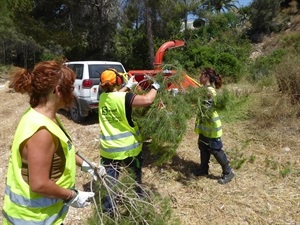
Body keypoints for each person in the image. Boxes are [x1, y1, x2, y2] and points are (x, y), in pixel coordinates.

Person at [2, 60, 97, 225]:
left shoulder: (43, 117)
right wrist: (72, 195)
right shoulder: (42, 132)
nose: (74, 93)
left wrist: (87, 165)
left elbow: (62, 148)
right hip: (32, 219)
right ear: (58, 90)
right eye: (71, 88)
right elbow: (39, 184)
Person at [98, 69, 160, 212]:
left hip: (108, 150)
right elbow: (147, 100)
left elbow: (116, 96)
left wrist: (129, 86)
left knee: (110, 181)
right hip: (128, 149)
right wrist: (155, 87)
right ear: (118, 81)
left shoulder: (102, 98)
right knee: (135, 175)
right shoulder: (124, 97)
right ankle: (139, 198)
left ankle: (109, 211)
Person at [193, 67, 235, 184]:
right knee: (203, 146)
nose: (199, 77)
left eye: (201, 75)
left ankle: (228, 172)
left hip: (212, 127)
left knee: (215, 149)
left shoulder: (209, 91)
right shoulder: (204, 89)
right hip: (205, 127)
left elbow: (206, 106)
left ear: (206, 77)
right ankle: (203, 169)